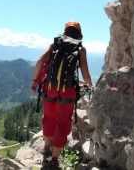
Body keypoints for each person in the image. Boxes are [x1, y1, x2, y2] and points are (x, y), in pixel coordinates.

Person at [32, 22, 92, 169]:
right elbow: (84, 71)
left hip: (50, 90)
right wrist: (90, 85)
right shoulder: (80, 49)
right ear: (79, 33)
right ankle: (54, 159)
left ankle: (47, 147)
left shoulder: (56, 45)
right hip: (67, 93)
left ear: (65, 31)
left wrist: (35, 82)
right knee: (63, 124)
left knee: (49, 119)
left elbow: (40, 61)